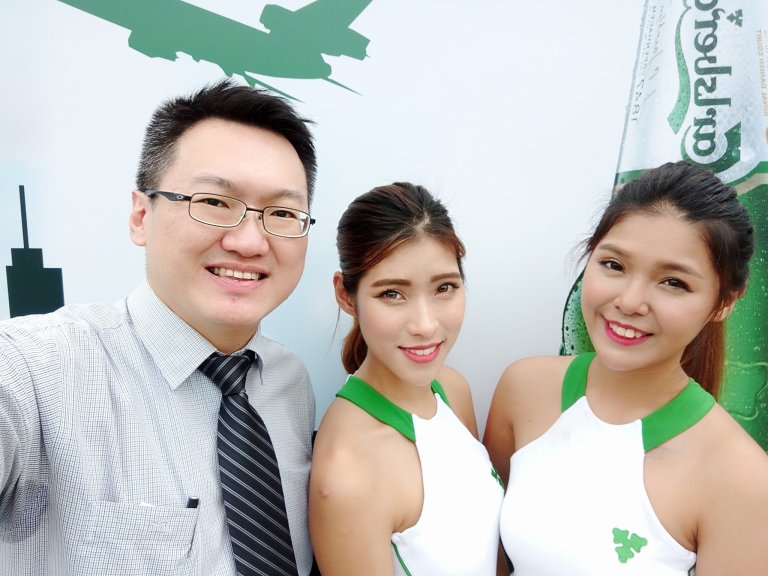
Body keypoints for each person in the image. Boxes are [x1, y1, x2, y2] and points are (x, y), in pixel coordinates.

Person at [0, 79, 320, 575]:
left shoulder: (289, 382)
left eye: (282, 213)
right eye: (215, 203)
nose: (250, 242)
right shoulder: (36, 370)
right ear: (140, 216)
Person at [484, 161, 768, 575]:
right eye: (614, 265)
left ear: (725, 303)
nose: (630, 302)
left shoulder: (741, 476)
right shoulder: (524, 388)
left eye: (673, 282)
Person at [309, 182, 505, 576]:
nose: (425, 325)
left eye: (444, 287)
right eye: (392, 294)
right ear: (347, 296)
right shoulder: (349, 471)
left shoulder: (451, 389)